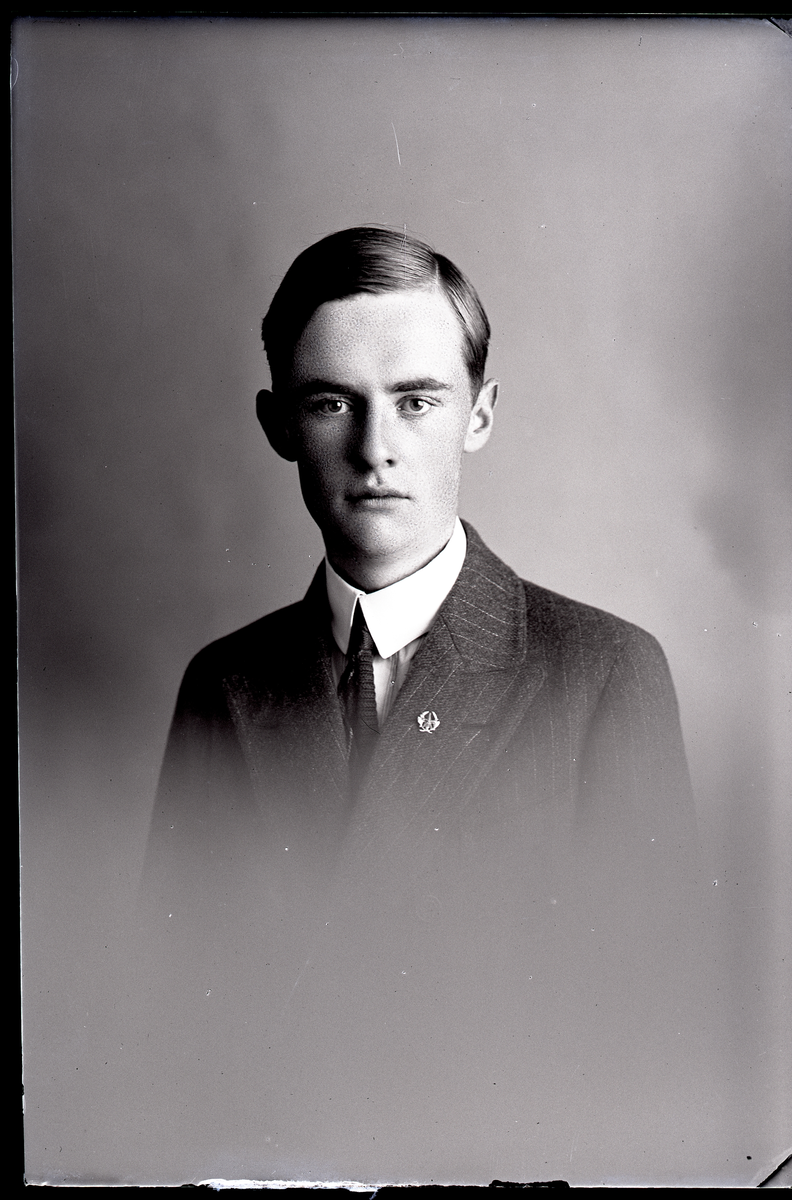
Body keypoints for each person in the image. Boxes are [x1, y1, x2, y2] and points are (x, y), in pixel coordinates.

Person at [141, 227, 705, 1184]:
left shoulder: (602, 671)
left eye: (416, 401)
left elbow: (658, 1043)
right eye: (331, 403)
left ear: (478, 414)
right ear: (278, 426)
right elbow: (167, 1028)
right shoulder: (225, 686)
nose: (375, 451)